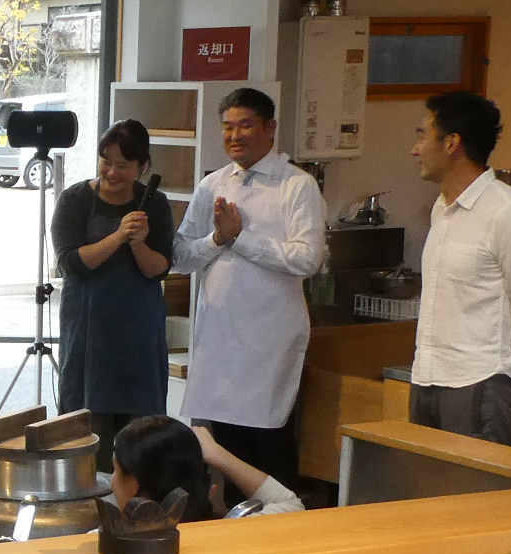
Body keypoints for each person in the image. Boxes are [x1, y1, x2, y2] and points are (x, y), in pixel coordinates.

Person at [170, 88, 324, 491]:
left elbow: (308, 259)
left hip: (268, 342)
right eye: (227, 127)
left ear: (270, 128)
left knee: (269, 447)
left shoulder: (297, 185)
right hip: (220, 340)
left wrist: (240, 239)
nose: (234, 135)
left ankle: (281, 532)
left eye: (245, 125)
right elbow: (182, 256)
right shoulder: (213, 185)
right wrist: (218, 241)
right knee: (223, 453)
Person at [407, 90, 511, 446]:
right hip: (428, 376)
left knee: (473, 495)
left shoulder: (506, 210)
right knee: (424, 493)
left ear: (452, 142)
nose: (415, 150)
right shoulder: (441, 206)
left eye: (422, 135)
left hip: (480, 380)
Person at [52, 120, 175, 448]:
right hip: (89, 336)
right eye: (106, 161)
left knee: (142, 442)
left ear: (143, 167)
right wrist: (118, 236)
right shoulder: (74, 200)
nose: (112, 172)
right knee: (86, 437)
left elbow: (158, 270)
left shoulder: (156, 204)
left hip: (139, 338)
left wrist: (137, 243)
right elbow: (72, 263)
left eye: (123, 165)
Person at [105, 415, 301, 522]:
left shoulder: (102, 541)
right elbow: (290, 504)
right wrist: (215, 453)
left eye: (115, 470)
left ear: (134, 485)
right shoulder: (231, 532)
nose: (112, 481)